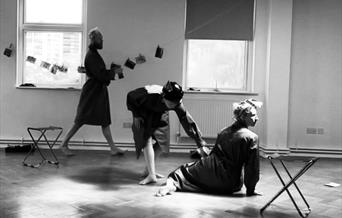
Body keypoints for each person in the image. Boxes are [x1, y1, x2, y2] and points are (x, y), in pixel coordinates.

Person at [156, 99, 263, 197]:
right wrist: (251, 190)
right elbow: (252, 168)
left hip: (213, 171)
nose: (256, 118)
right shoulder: (252, 137)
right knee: (187, 170)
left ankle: (172, 185)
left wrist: (202, 162)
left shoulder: (224, 131)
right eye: (253, 115)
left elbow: (214, 155)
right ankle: (173, 185)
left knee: (181, 171)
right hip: (231, 184)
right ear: (243, 117)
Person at [126, 81, 210, 185]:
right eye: (171, 103)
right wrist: (136, 115)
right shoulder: (149, 94)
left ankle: (148, 170)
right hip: (144, 112)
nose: (173, 105)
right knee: (146, 139)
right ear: (163, 96)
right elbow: (130, 96)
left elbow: (187, 122)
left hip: (160, 113)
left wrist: (200, 142)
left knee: (162, 143)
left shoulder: (176, 103)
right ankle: (152, 175)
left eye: (176, 103)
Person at [60, 27, 125, 156]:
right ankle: (63, 144)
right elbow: (100, 75)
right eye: (100, 39)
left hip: (98, 90)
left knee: (104, 120)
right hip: (92, 91)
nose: (102, 41)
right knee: (81, 119)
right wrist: (113, 72)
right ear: (94, 39)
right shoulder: (91, 55)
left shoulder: (94, 54)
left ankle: (112, 148)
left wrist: (111, 72)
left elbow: (99, 73)